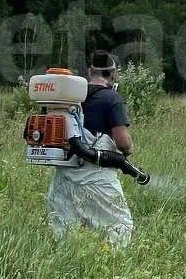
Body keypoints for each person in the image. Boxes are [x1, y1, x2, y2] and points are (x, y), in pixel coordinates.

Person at [45, 50, 136, 248]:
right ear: (113, 74)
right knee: (120, 226)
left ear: (89, 71)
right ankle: (109, 268)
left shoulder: (69, 97)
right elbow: (122, 142)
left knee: (63, 235)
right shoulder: (112, 98)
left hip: (62, 179)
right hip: (96, 178)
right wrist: (129, 148)